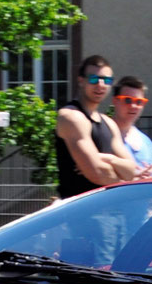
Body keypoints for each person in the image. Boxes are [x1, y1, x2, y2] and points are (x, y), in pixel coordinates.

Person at [53, 54, 138, 197]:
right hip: (80, 212)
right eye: (94, 79)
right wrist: (123, 178)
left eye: (106, 80)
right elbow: (97, 173)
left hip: (112, 211)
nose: (100, 85)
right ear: (81, 81)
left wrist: (108, 159)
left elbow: (131, 170)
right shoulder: (71, 117)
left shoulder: (109, 123)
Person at [112, 77, 152, 179]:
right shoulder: (103, 135)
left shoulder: (146, 142)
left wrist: (150, 178)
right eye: (127, 100)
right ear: (115, 101)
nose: (133, 106)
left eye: (139, 102)